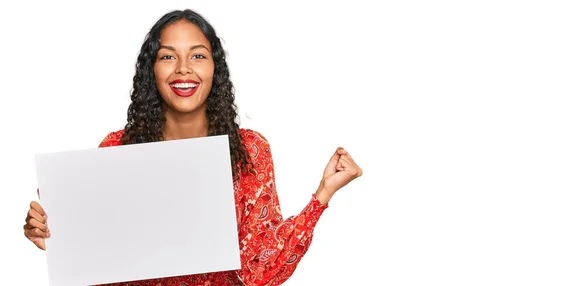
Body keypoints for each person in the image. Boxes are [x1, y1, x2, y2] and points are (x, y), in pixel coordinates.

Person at [23, 9, 362, 286]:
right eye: (168, 56)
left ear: (215, 69)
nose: (183, 68)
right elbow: (100, 256)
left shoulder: (249, 150)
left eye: (197, 56)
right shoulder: (117, 148)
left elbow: (261, 271)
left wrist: (322, 194)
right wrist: (53, 233)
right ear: (151, 71)